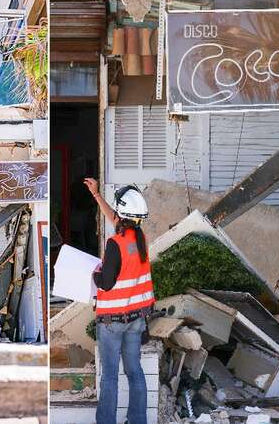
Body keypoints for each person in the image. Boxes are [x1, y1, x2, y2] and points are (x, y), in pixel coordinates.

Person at [83, 178, 154, 424]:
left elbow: (106, 282)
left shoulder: (115, 243)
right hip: (136, 320)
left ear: (122, 216)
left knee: (110, 377)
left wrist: (95, 272)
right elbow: (115, 218)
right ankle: (138, 420)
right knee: (135, 372)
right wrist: (96, 195)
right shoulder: (140, 240)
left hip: (112, 322)